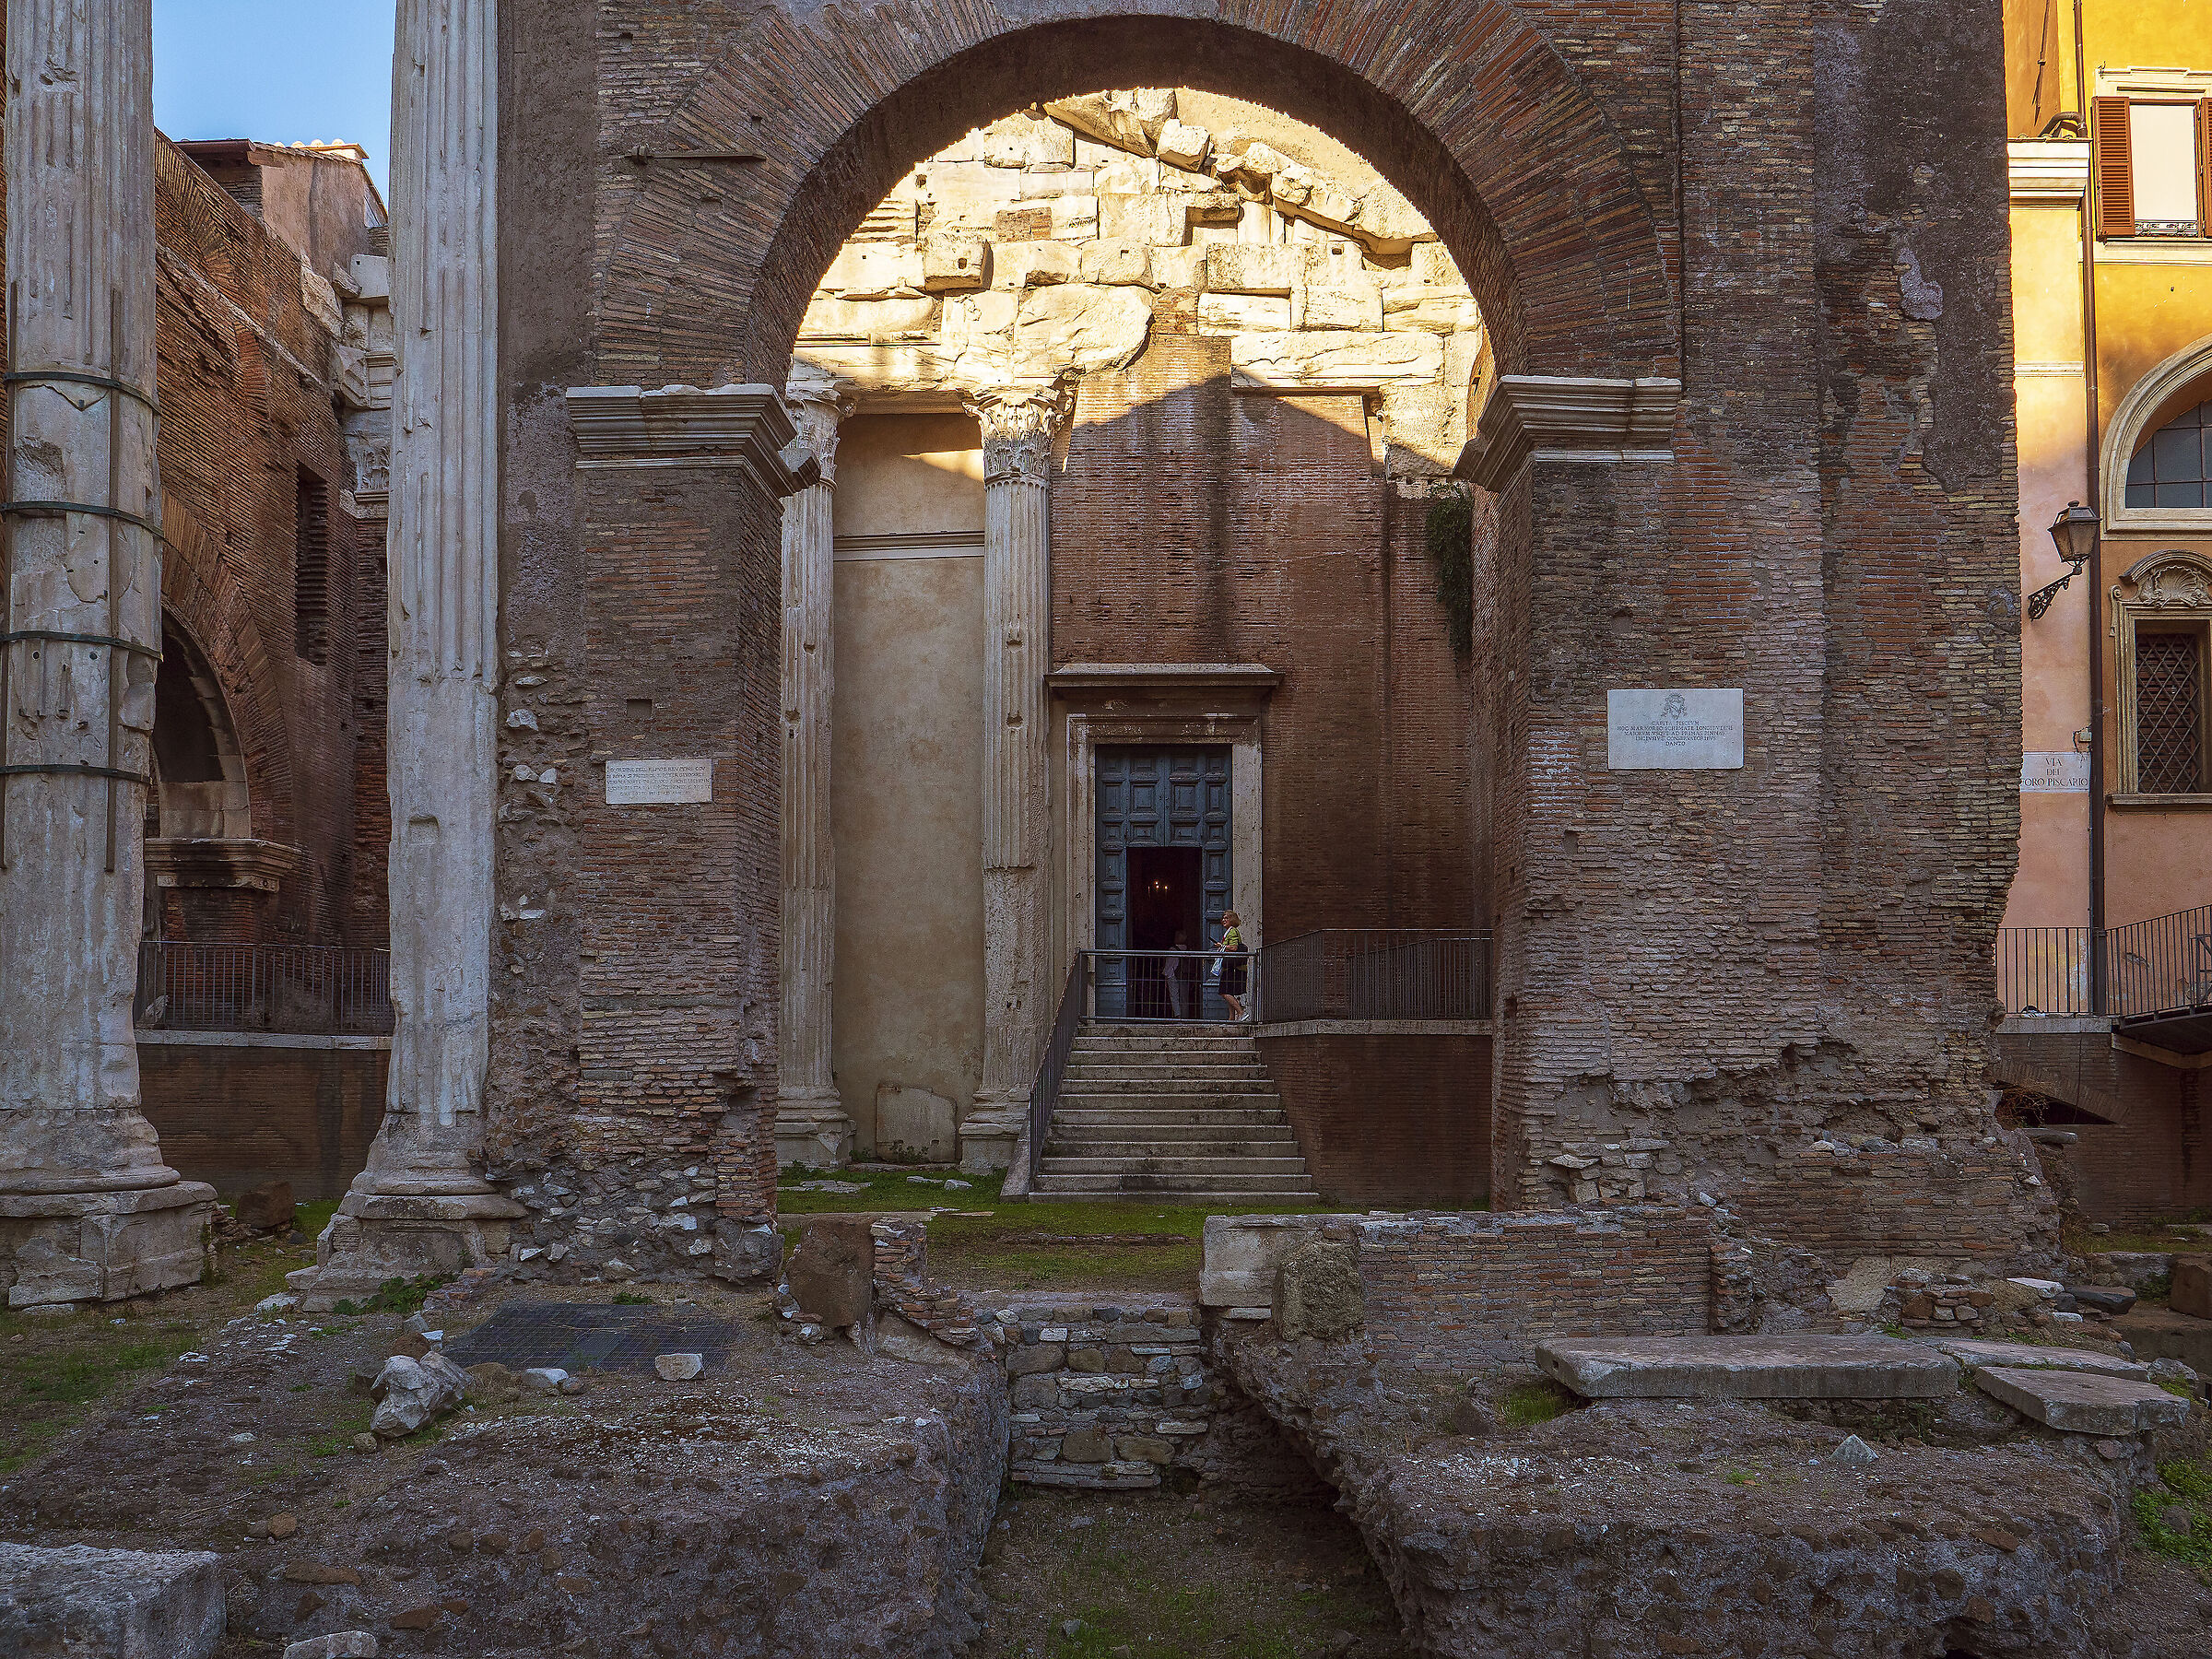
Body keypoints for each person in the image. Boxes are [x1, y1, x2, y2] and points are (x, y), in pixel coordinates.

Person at [1215, 911, 1251, 1021]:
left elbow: (1234, 948)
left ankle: (1241, 1012)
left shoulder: (1232, 931)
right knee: (1229, 992)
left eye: (1227, 918)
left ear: (1232, 920)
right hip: (1230, 967)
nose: (1224, 920)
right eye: (1223, 918)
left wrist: (1222, 946)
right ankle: (1231, 1018)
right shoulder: (1229, 932)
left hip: (1233, 968)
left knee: (1224, 992)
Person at [1169, 928, 1200, 1018]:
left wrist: (1166, 976)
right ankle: (1185, 1017)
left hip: (1174, 975)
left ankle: (1178, 1017)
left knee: (1174, 996)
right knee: (1184, 997)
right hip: (1185, 974)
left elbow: (1169, 966)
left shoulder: (1173, 950)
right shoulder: (1188, 949)